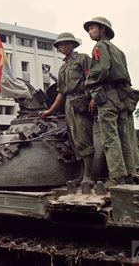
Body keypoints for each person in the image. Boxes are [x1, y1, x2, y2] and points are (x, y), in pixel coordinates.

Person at [84, 17, 136, 187]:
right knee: (124, 136)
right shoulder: (118, 50)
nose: (90, 32)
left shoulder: (99, 47)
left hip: (107, 96)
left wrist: (88, 80)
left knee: (110, 137)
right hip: (122, 96)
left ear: (103, 30)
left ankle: (117, 176)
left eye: (93, 28)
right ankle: (129, 173)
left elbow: (101, 69)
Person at [41, 32, 94, 185]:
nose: (62, 47)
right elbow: (61, 92)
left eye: (65, 44)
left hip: (82, 101)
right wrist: (50, 110)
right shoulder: (63, 68)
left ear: (72, 45)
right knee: (74, 139)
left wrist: (93, 99)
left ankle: (88, 175)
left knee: (83, 137)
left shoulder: (83, 59)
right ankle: (82, 173)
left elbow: (93, 79)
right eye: (60, 45)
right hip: (69, 104)